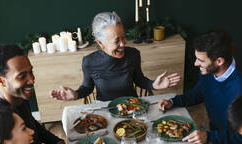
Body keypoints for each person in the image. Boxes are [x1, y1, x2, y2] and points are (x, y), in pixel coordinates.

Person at [158, 30, 242, 144]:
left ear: (219, 61)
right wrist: (173, 101)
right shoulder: (210, 71)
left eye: (201, 60)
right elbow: (199, 93)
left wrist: (209, 137)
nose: (195, 64)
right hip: (212, 131)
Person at [50, 12, 180, 102]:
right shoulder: (89, 62)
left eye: (123, 37)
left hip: (133, 105)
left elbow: (139, 80)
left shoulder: (133, 54)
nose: (123, 44)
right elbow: (87, 88)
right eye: (116, 41)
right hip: (105, 108)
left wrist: (154, 85)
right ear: (101, 43)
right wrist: (76, 94)